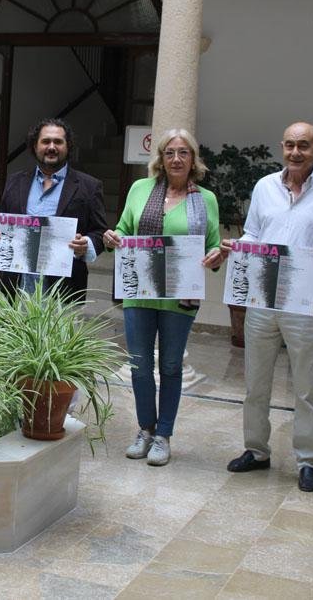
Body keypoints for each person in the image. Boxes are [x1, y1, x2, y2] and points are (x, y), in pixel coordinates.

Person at [221, 121, 313, 492]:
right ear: (282, 147)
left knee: (307, 386)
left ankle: (308, 461)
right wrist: (239, 245)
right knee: (255, 381)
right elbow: (253, 232)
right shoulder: (264, 187)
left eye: (304, 146)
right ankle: (256, 450)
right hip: (263, 295)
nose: (296, 152)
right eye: (290, 145)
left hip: (306, 297)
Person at [101, 128, 223, 466]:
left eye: (184, 152)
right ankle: (145, 429)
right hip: (139, 293)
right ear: (161, 158)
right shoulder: (140, 189)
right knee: (139, 366)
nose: (176, 159)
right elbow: (125, 228)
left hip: (180, 298)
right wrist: (115, 237)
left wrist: (215, 256)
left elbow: (213, 243)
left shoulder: (207, 199)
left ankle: (164, 435)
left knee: (170, 365)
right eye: (170, 152)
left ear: (193, 159)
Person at [0, 118, 107, 302]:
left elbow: (100, 232)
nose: (51, 147)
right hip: (16, 286)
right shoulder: (14, 182)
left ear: (68, 146)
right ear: (35, 145)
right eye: (45, 141)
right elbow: (1, 225)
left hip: (63, 290)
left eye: (58, 142)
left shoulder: (89, 186)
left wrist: (86, 245)